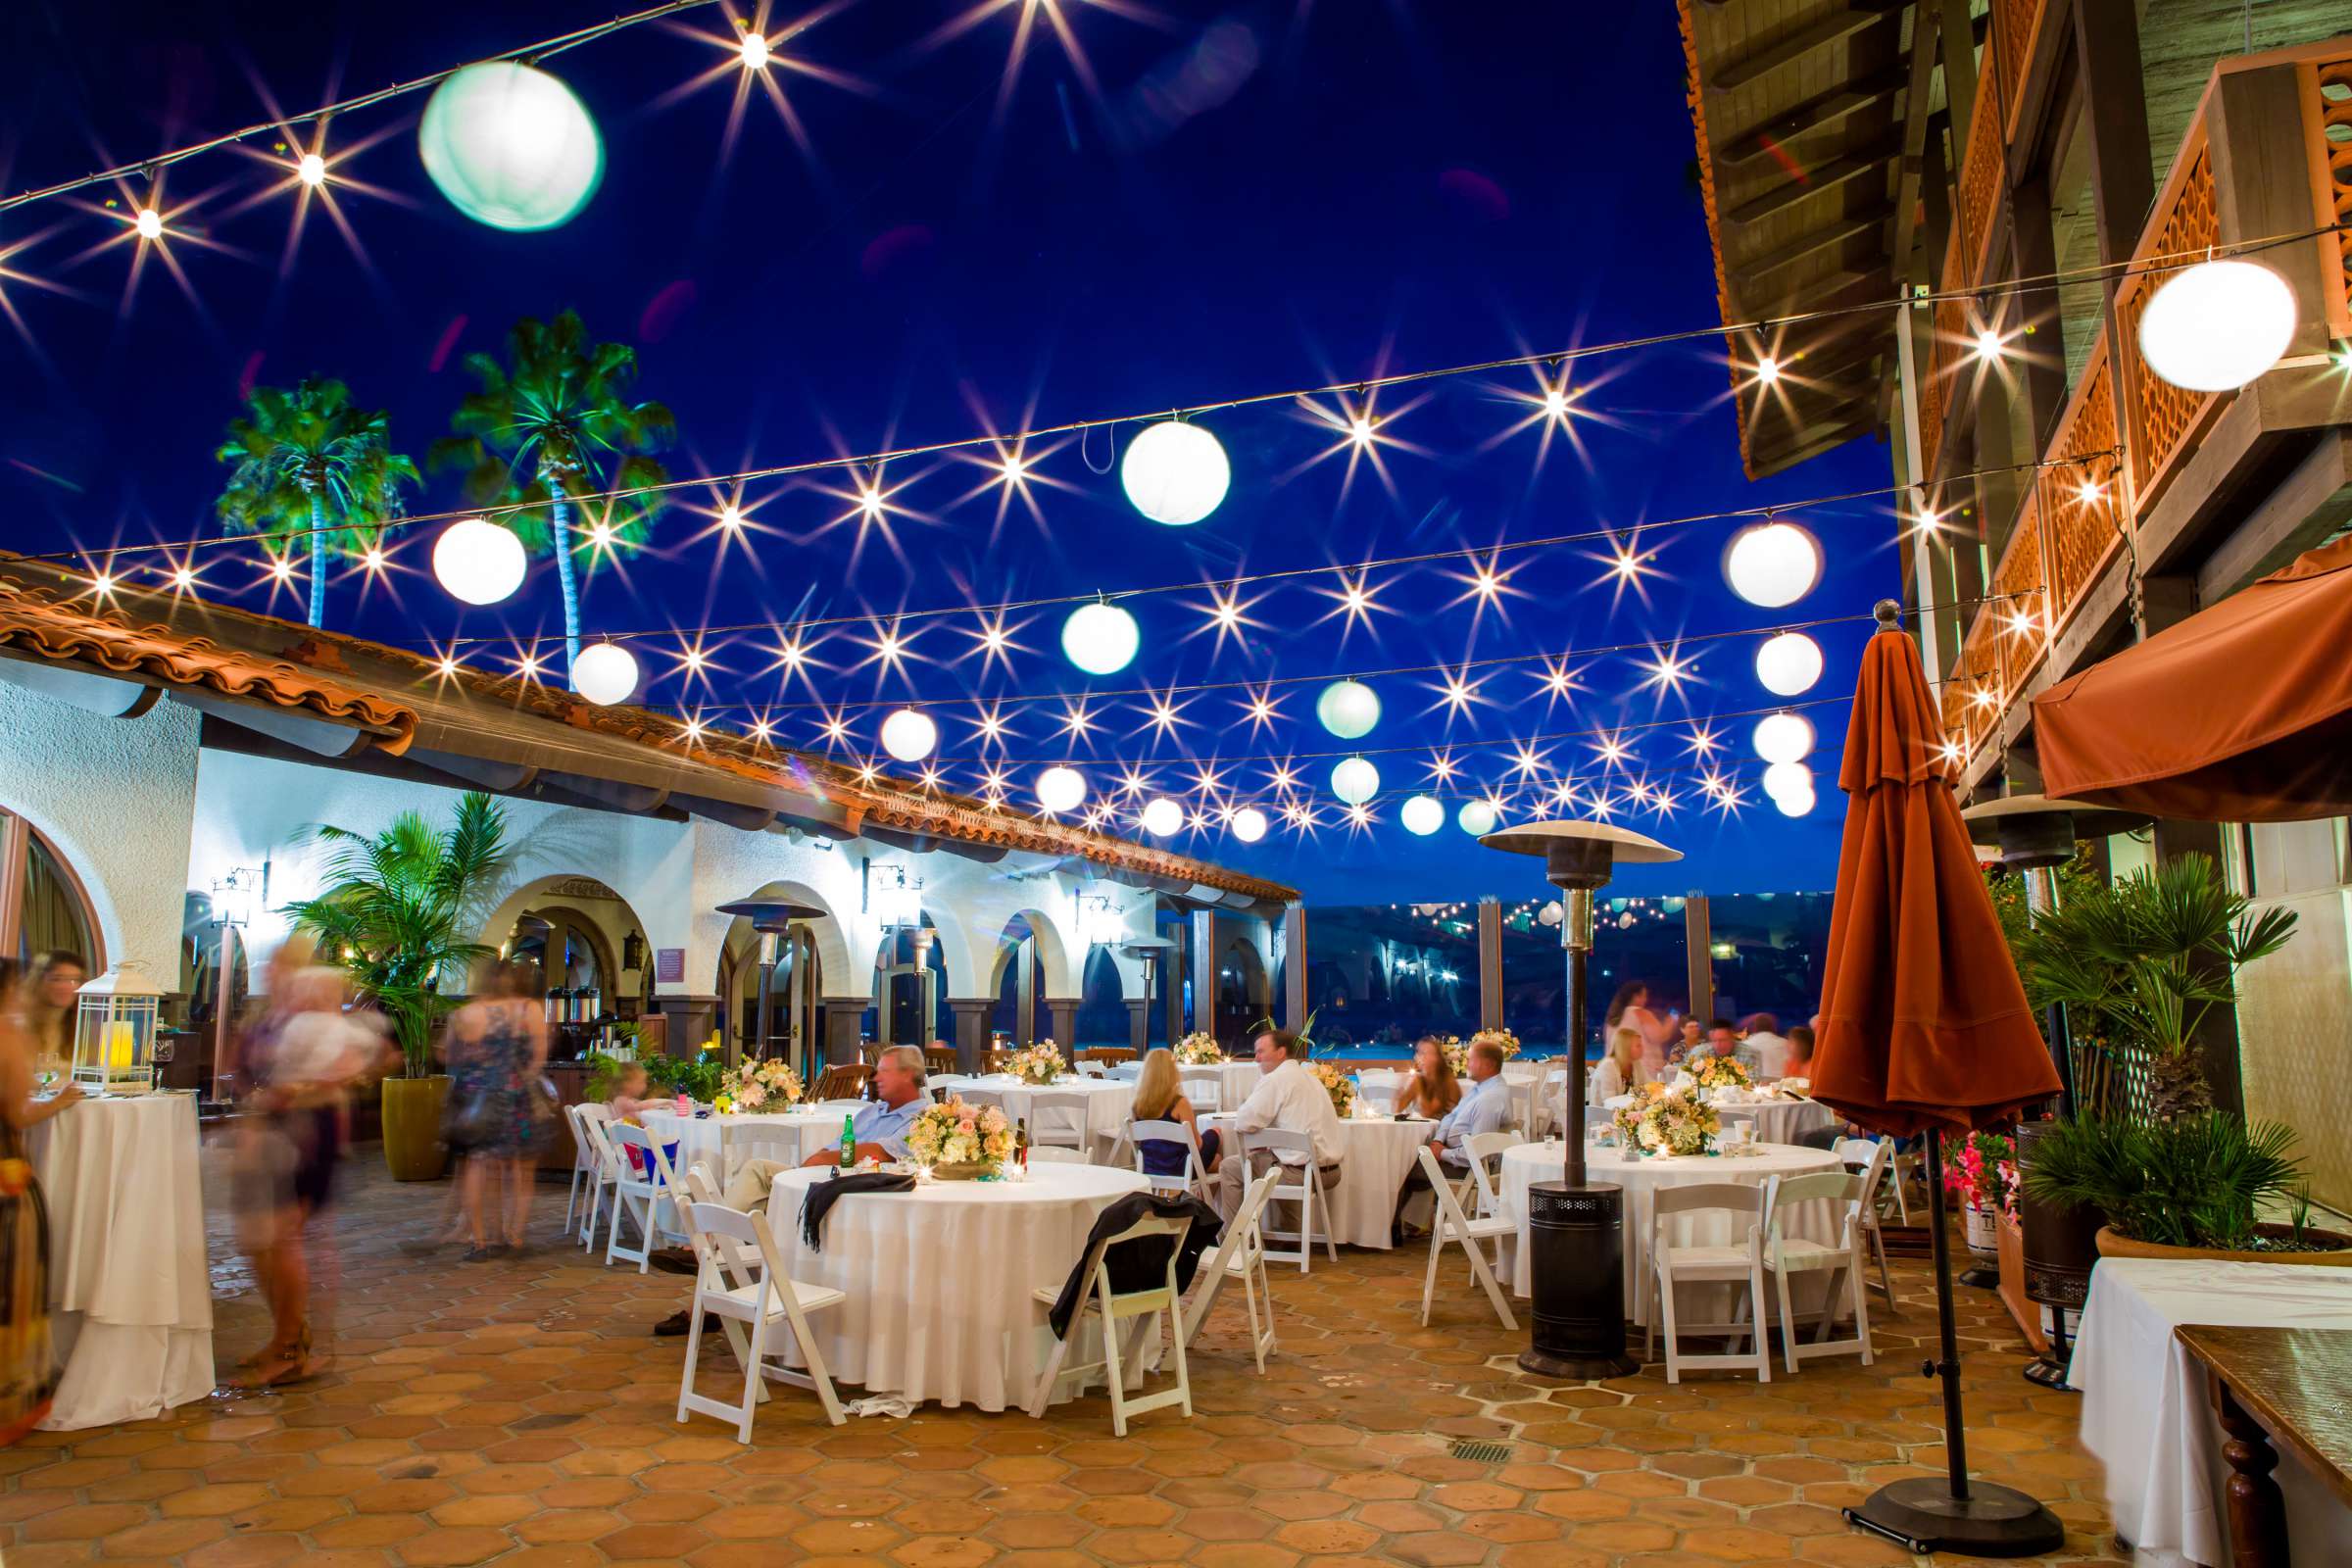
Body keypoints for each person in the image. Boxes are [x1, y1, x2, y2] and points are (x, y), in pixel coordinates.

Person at [642, 1044, 932, 1337]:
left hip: (851, 1197)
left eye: (884, 1070)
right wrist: (816, 1160)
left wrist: (818, 1160)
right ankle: (709, 1248)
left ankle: (702, 1262)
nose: (875, 1076)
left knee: (736, 1223)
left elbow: (882, 1151)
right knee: (757, 1169)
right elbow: (829, 1148)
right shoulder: (871, 1112)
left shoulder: (922, 1117)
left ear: (908, 1075)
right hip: (819, 1181)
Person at [231, 940, 380, 1388]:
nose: (273, 974)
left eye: (283, 968)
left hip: (310, 1134)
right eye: (271, 967)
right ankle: (288, 1330)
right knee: (257, 1242)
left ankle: (290, 1348)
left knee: (283, 1238)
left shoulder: (322, 1022)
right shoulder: (267, 1019)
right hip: (266, 1133)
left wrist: (293, 1093)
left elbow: (351, 1071)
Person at [0, 959, 82, 1443]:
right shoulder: (11, 1041)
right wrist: (57, 1103)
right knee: (14, 1285)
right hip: (6, 1175)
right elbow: (17, 1114)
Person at [444, 956, 550, 1262]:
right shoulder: (527, 1009)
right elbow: (538, 1057)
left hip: (474, 1098)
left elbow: (450, 1056)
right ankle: (512, 1236)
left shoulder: (464, 1013)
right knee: (518, 1168)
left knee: (477, 1167)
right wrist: (519, 1078)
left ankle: (479, 1240)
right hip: (514, 1097)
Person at [1390, 1037, 1512, 1243]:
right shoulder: (1479, 1089)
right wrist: (1438, 1141)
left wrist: (1442, 1153)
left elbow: (1477, 1153)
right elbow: (1450, 1117)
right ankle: (1401, 1224)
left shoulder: (1489, 1099)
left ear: (1487, 1064)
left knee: (1401, 1165)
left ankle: (1391, 1229)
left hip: (1467, 1168)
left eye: (1471, 1059)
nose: (1467, 1064)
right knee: (1405, 1161)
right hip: (1451, 1152)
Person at [1218, 1030, 1343, 1224]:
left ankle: (1235, 1242)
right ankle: (1291, 1237)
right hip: (1331, 1172)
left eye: (1261, 1051)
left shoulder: (1276, 1079)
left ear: (1281, 1052)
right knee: (1274, 1160)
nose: (1256, 1058)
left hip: (1300, 1173)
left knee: (1229, 1168)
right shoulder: (1311, 1079)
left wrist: (1263, 1138)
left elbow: (1244, 1121)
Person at [1129, 1047, 1220, 1177]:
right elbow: (1197, 1146)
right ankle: (1196, 1196)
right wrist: (1213, 1134)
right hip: (1179, 1171)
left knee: (1215, 1160)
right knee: (1216, 1137)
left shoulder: (1137, 1105)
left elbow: (1139, 1144)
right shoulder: (1179, 1103)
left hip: (1148, 1168)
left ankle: (1195, 1194)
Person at [1603, 981, 1679, 1082]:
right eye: (1644, 996)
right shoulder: (1640, 1013)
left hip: (1616, 1070)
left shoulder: (1612, 1018)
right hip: (1642, 1070)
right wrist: (1672, 1020)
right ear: (1635, 996)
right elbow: (1660, 1036)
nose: (1646, 1000)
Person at [1391, 1035, 1461, 1122]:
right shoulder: (1420, 1080)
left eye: (1423, 1053)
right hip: (1425, 1130)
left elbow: (1428, 1114)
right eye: (1418, 1053)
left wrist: (1418, 1086)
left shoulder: (1446, 1080)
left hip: (1444, 1131)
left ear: (1436, 1057)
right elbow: (1397, 1109)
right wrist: (1402, 1082)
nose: (1418, 1057)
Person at [1589, 1025, 1643, 1102]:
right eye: (1638, 1045)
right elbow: (1609, 1101)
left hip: (1628, 1110)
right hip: (1604, 1112)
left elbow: (1648, 1084)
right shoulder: (1608, 1066)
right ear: (1626, 1047)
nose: (1642, 1048)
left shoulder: (1635, 1063)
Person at [1741, 1013, 1792, 1079]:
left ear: (1755, 1027)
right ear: (1774, 1027)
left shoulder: (1745, 1045)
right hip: (1783, 1085)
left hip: (1754, 1086)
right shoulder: (1786, 1043)